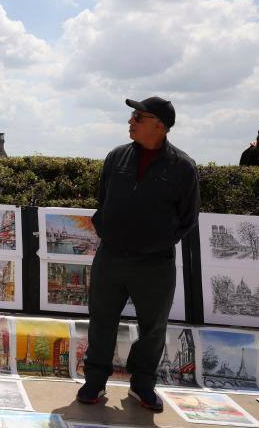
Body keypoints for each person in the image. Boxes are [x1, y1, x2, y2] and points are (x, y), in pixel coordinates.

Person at [77, 97, 200, 412]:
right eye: (132, 116)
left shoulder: (182, 167)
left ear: (159, 126)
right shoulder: (116, 157)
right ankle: (95, 380)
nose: (130, 121)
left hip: (154, 263)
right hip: (111, 256)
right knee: (101, 319)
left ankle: (143, 384)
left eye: (138, 117)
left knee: (153, 326)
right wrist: (106, 227)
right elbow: (104, 199)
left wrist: (155, 242)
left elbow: (187, 218)